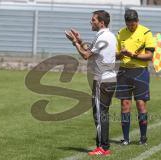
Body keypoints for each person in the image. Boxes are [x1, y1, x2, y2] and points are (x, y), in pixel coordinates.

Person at [65, 10, 117, 155]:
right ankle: (104, 146)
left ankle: (103, 147)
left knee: (100, 114)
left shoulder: (102, 37)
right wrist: (80, 41)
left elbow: (86, 55)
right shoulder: (109, 35)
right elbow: (92, 50)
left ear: (101, 23)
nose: (91, 22)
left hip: (102, 80)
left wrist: (75, 42)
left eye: (93, 20)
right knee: (103, 113)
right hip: (110, 79)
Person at [115, 9, 156, 145]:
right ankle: (126, 139)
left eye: (133, 24)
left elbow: (149, 55)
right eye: (129, 24)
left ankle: (143, 138)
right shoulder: (121, 33)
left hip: (140, 72)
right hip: (124, 72)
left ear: (137, 21)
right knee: (125, 105)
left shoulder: (146, 32)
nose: (131, 26)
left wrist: (133, 55)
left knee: (140, 104)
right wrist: (121, 54)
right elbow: (115, 55)